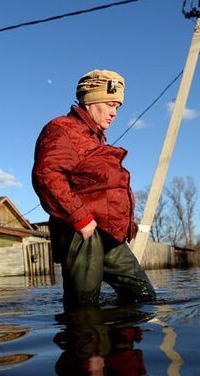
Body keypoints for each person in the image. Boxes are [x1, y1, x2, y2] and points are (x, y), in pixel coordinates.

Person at [32, 69, 156, 307]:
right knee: (83, 308)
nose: (114, 113)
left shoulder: (93, 138)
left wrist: (126, 224)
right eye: (111, 104)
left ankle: (120, 342)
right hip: (83, 234)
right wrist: (80, 219)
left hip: (109, 235)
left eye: (118, 107)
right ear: (92, 99)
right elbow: (47, 176)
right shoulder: (61, 128)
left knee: (144, 296)